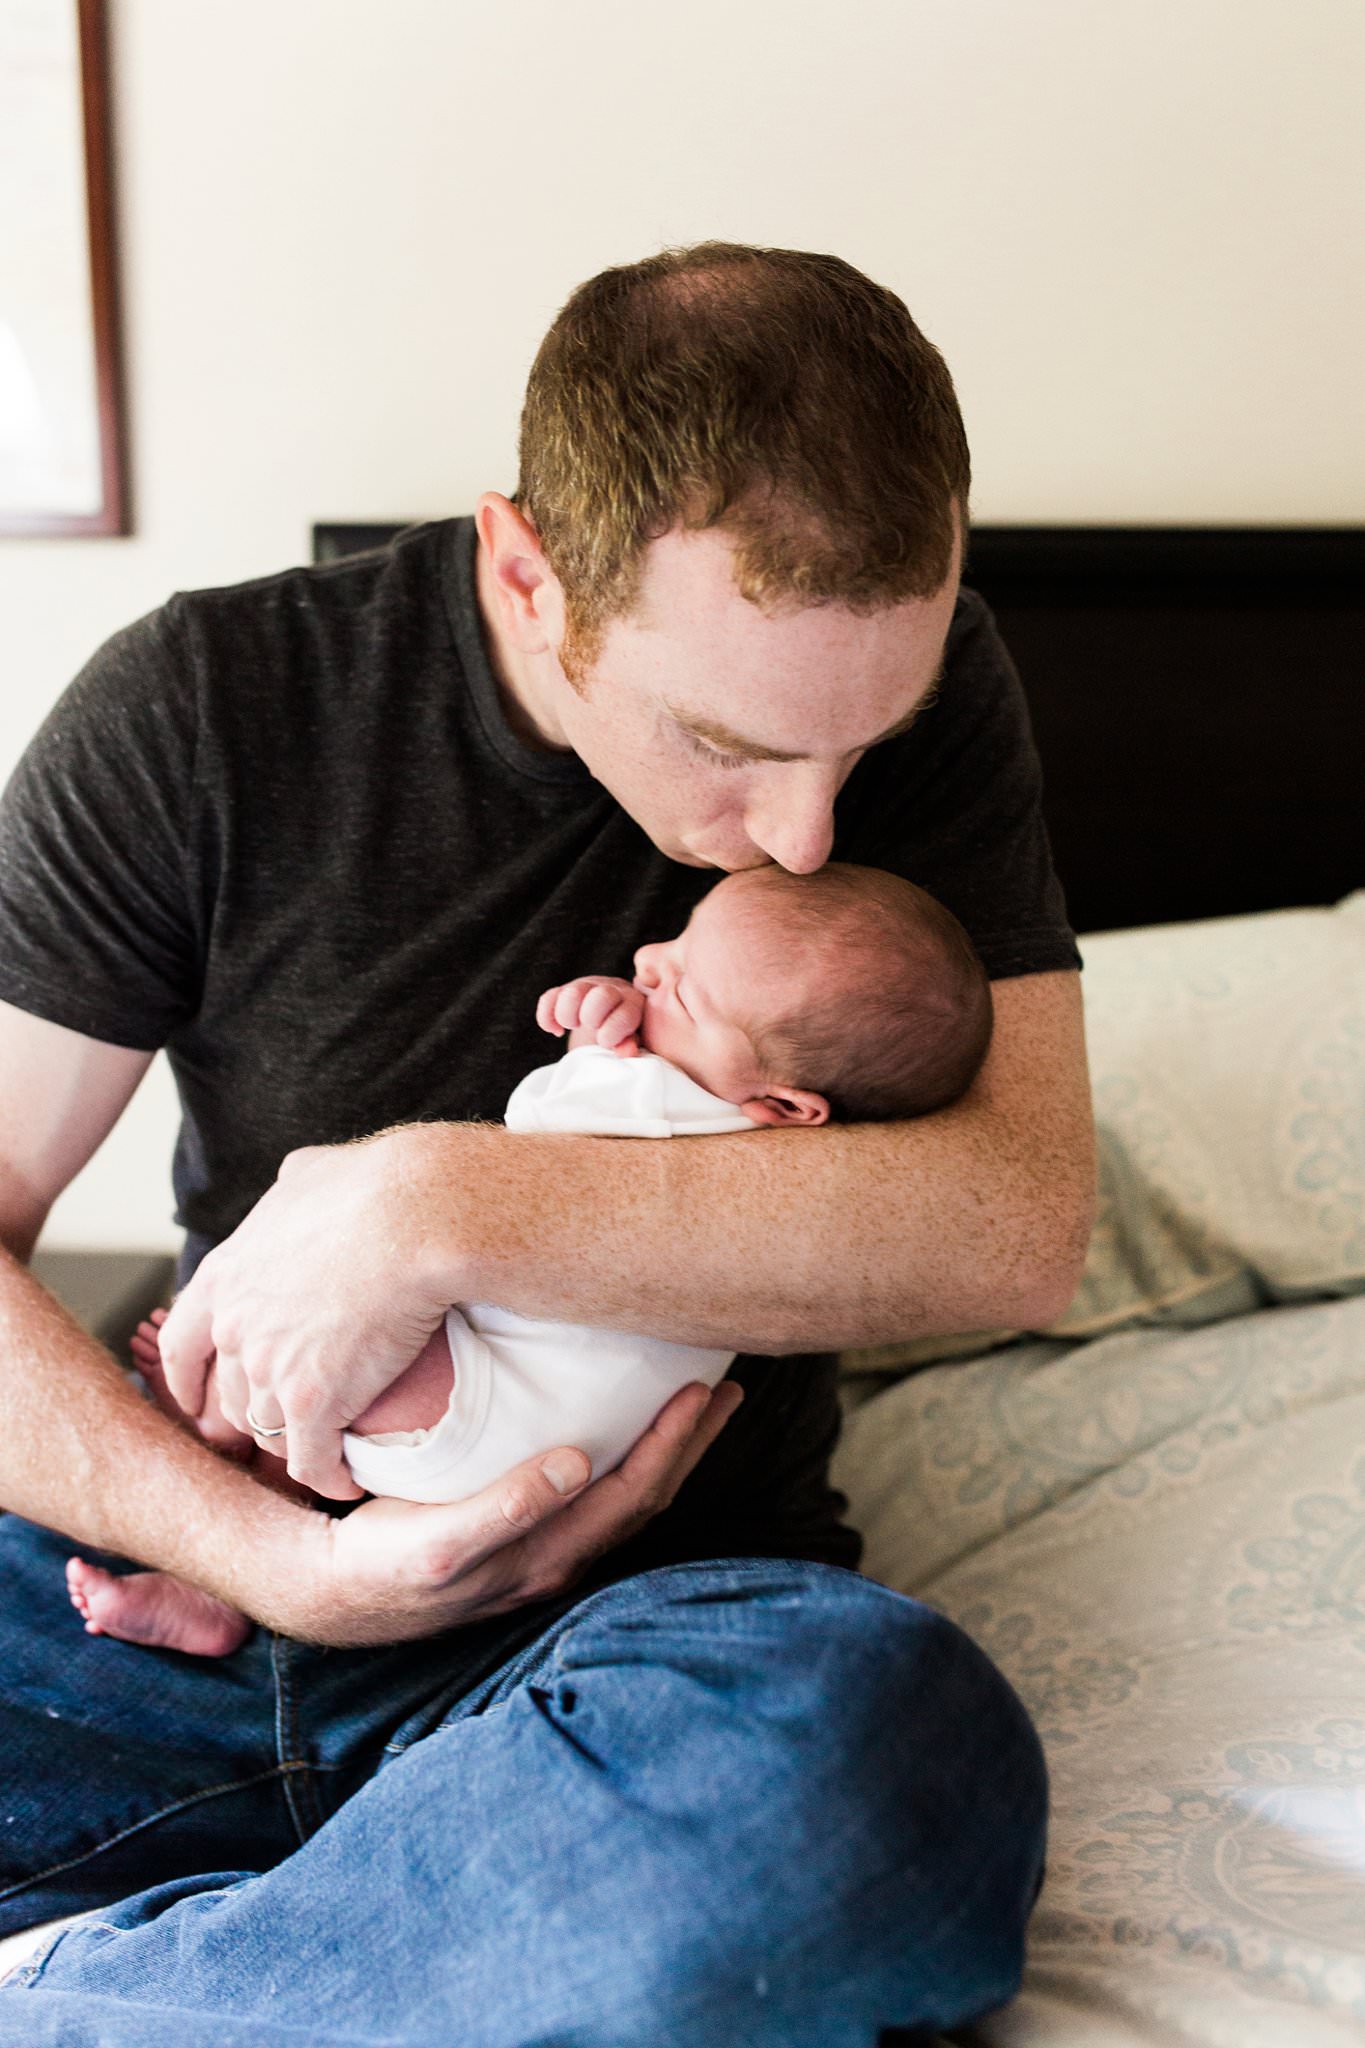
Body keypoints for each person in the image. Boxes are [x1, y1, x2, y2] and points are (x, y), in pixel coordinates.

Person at [0, 240, 1094, 2045]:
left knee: (891, 1784)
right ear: (526, 565)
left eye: (860, 750)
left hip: (621, 1644)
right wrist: (276, 1563)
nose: (808, 839)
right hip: (197, 1579)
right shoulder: (200, 708)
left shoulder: (914, 679)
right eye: (730, 745)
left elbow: (1014, 1219)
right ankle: (394, 1957)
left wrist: (443, 1203)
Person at [65, 862, 994, 1660]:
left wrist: (597, 1035)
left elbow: (547, 1119)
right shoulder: (738, 1118)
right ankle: (218, 1565)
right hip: (511, 1421)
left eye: (682, 991)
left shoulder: (688, 1117)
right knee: (296, 1393)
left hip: (491, 1418)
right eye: (677, 940)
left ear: (788, 1107)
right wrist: (648, 1018)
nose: (648, 963)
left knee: (290, 1366)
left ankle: (221, 1428)